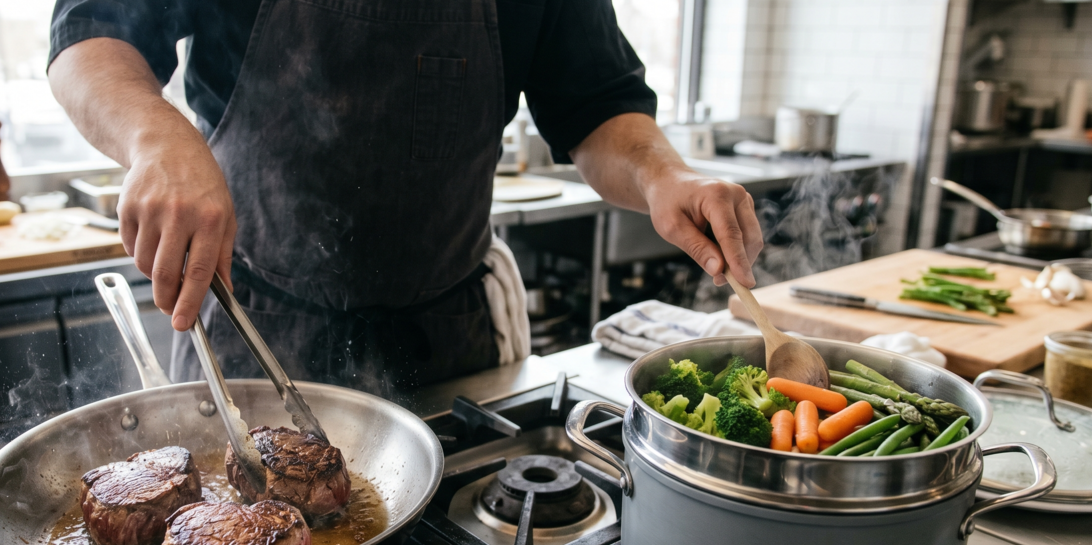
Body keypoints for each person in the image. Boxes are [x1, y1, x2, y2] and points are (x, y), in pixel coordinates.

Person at [48, 0, 763, 398]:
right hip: (257, 333)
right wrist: (157, 139)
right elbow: (90, 32)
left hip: (451, 344)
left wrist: (663, 173)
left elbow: (598, 105)